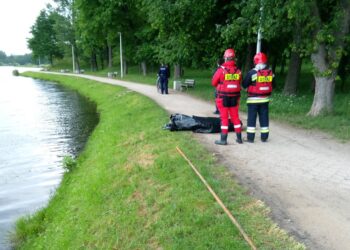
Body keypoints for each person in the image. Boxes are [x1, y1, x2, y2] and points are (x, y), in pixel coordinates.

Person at [212, 48, 243, 145]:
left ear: (225, 58)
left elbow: (213, 82)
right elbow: (239, 82)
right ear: (234, 58)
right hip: (235, 97)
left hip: (223, 97)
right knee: (235, 118)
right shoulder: (238, 71)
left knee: (224, 118)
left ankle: (223, 139)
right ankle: (239, 139)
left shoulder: (221, 70)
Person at [242, 52, 275, 143]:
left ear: (255, 62)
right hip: (265, 100)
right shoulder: (270, 73)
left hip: (253, 100)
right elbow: (273, 85)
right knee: (264, 118)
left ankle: (250, 138)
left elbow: (244, 84)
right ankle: (264, 137)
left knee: (252, 119)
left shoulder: (252, 73)